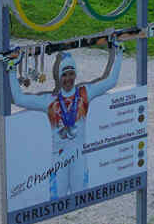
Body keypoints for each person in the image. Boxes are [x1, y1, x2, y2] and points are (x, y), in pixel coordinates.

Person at [10, 42, 123, 202]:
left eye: (71, 74)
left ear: (75, 74)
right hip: (59, 159)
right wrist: (11, 68)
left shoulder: (85, 93)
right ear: (59, 77)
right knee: (57, 202)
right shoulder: (50, 101)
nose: (68, 78)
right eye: (64, 74)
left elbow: (111, 81)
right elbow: (19, 99)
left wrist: (119, 53)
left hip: (79, 156)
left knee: (81, 200)